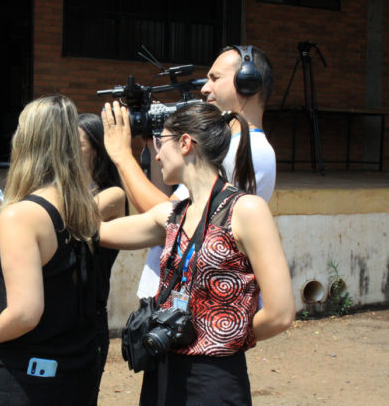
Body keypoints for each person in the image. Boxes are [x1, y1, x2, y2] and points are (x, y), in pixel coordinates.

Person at [99, 101, 295, 405]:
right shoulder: (171, 214)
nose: (158, 154)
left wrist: (223, 337)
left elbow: (280, 313)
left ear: (186, 143)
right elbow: (96, 233)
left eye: (160, 143)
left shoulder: (245, 210)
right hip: (164, 363)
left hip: (214, 376)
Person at [0, 95, 101, 406]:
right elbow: (55, 268)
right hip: (75, 377)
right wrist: (0, 234)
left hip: (24, 381)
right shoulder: (81, 206)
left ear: (27, 141)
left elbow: (24, 313)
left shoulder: (20, 215)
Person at [102, 45, 276, 298]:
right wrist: (154, 146)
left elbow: (170, 223)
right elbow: (160, 208)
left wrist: (121, 156)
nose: (205, 88)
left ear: (247, 82)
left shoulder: (246, 151)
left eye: (215, 78)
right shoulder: (228, 147)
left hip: (192, 311)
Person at [78, 113, 127, 402]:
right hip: (59, 318)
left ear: (97, 148)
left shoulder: (113, 195)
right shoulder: (60, 192)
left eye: (77, 143)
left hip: (89, 319)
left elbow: (70, 220)